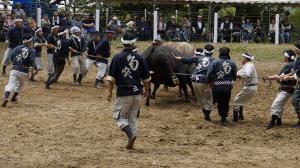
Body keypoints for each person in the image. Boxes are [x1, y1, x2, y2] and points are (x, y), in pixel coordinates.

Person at [107, 31, 150, 149]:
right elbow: (146, 79)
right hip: (137, 92)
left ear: (122, 43)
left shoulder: (117, 58)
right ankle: (132, 137)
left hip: (123, 92)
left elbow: (111, 79)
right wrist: (147, 91)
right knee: (133, 117)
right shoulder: (140, 58)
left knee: (119, 116)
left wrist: (110, 91)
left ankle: (130, 135)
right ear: (133, 43)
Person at [176, 44, 215, 121]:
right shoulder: (214, 60)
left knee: (200, 98)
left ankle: (205, 112)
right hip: (205, 81)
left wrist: (179, 58)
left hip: (194, 80)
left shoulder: (199, 58)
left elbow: (188, 59)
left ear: (204, 51)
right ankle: (207, 114)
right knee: (209, 98)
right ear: (213, 52)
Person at [1, 34, 35, 107]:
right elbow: (32, 61)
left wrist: (15, 63)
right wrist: (31, 71)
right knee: (20, 84)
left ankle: (6, 97)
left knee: (11, 84)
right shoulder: (32, 50)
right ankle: (13, 98)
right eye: (31, 41)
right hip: (24, 71)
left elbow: (12, 58)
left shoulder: (16, 48)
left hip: (15, 69)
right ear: (29, 41)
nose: (32, 42)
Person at [207, 47, 237, 125]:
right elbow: (234, 75)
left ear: (220, 53)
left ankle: (208, 114)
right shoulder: (232, 63)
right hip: (227, 87)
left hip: (216, 86)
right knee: (225, 102)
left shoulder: (214, 62)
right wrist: (231, 80)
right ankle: (223, 118)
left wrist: (209, 82)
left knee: (218, 101)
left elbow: (209, 73)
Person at [266, 50, 296, 129]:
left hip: (286, 89)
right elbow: (279, 76)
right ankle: (278, 121)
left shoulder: (289, 65)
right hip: (287, 88)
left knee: (276, 104)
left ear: (287, 57)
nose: (284, 57)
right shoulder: (291, 64)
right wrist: (270, 77)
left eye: (285, 56)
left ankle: (272, 122)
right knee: (280, 105)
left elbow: (280, 77)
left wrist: (271, 78)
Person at [232, 53, 258, 122]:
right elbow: (239, 72)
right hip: (250, 87)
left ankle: (235, 119)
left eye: (243, 58)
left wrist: (238, 75)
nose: (242, 59)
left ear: (245, 59)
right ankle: (240, 116)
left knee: (236, 101)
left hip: (249, 87)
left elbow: (246, 74)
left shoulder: (249, 65)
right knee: (240, 100)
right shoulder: (247, 65)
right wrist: (236, 74)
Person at [281, 40, 300, 128]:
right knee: (295, 101)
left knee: (296, 101)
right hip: (298, 83)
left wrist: (288, 77)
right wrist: (282, 76)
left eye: (296, 49)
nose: (295, 51)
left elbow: (297, 74)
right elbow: (293, 71)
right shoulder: (297, 59)